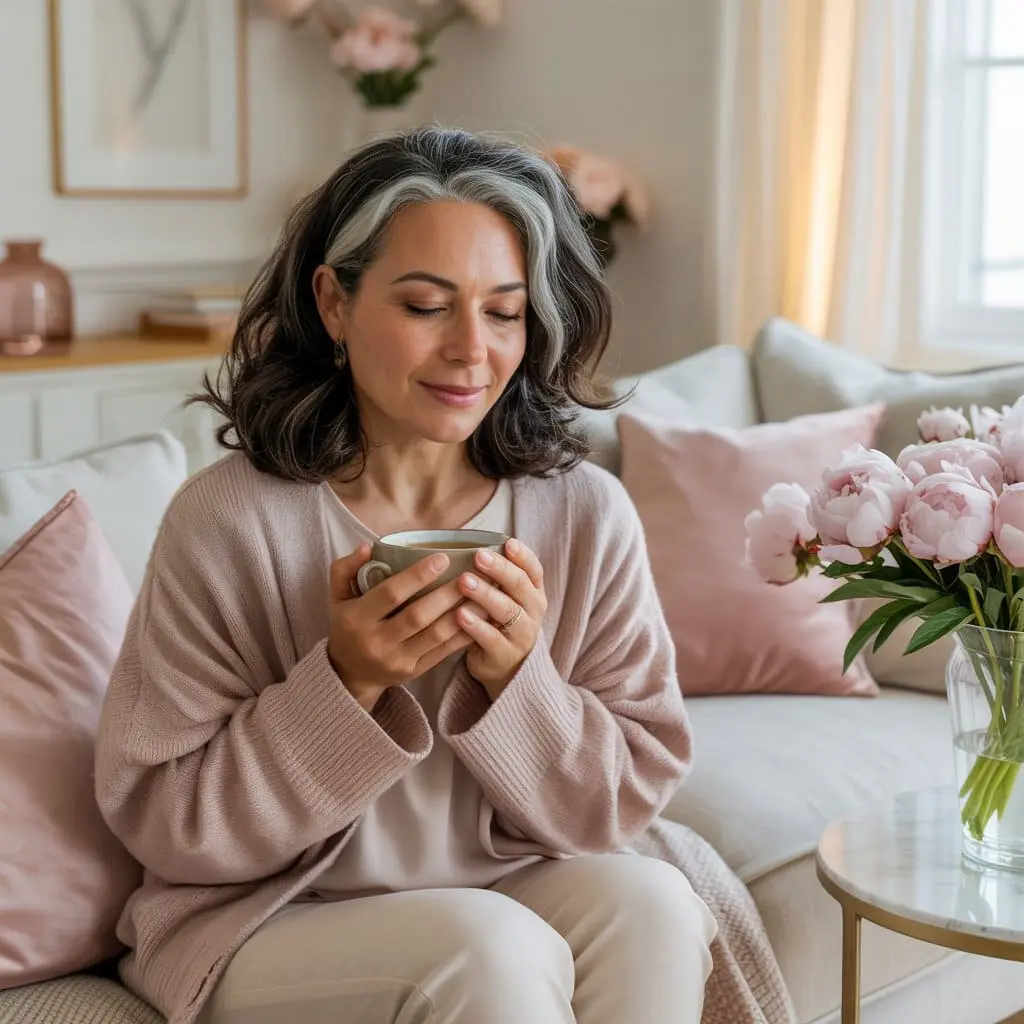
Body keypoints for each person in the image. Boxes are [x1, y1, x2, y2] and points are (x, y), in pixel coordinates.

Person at [95, 126, 716, 1024]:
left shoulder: (586, 513)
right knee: (490, 949)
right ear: (334, 304)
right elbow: (164, 818)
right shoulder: (227, 519)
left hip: (505, 879)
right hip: (271, 914)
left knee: (655, 904)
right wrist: (346, 683)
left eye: (504, 312)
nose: (471, 349)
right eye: (427, 305)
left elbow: (621, 805)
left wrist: (519, 681)